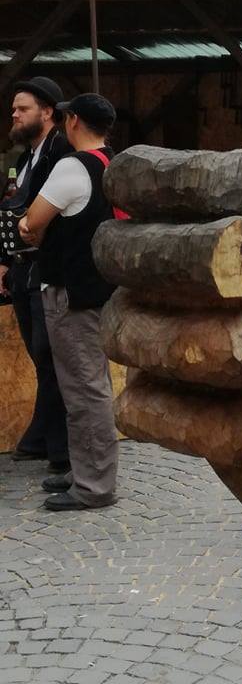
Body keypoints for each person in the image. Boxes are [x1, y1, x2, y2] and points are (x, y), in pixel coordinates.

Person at [19, 93, 119, 512]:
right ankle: (85, 468)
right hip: (99, 289)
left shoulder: (72, 166)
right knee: (89, 384)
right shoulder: (112, 163)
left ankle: (93, 485)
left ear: (73, 121)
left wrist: (29, 227)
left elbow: (32, 221)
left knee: (83, 390)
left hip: (71, 294)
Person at [0, 77, 70, 471]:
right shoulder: (25, 158)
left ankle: (55, 445)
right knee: (39, 356)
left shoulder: (61, 153)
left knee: (49, 354)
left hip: (47, 268)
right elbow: (11, 212)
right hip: (23, 269)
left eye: (22, 108)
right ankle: (43, 435)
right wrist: (5, 260)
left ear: (47, 112)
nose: (14, 114)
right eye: (14, 108)